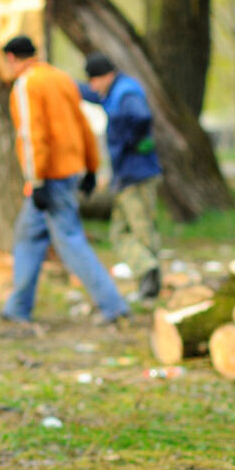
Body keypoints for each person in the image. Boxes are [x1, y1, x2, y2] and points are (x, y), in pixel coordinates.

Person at [0, 35, 129, 327]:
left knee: (70, 241)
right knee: (28, 237)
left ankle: (113, 305)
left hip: (49, 177)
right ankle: (18, 307)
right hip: (69, 171)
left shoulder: (27, 85)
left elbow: (32, 136)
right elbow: (83, 123)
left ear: (11, 58)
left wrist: (37, 180)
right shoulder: (60, 78)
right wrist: (91, 167)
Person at [78, 51, 163, 301]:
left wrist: (127, 145)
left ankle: (150, 282)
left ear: (105, 76)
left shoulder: (125, 93)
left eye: (93, 80)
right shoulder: (114, 91)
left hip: (137, 173)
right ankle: (147, 274)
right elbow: (93, 96)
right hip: (127, 174)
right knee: (119, 232)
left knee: (141, 229)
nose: (93, 86)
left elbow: (141, 117)